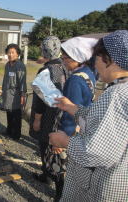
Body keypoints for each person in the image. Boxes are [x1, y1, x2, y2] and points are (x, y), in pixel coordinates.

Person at [49, 30, 128, 201]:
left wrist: (64, 141)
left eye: (97, 58)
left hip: (107, 185)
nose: (96, 64)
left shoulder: (117, 94)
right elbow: (100, 116)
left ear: (109, 59)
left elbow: (98, 153)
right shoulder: (120, 87)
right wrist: (73, 108)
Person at [30, 36, 69, 200]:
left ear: (44, 51)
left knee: (48, 149)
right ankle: (47, 176)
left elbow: (40, 100)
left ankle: (59, 190)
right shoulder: (66, 67)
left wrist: (37, 119)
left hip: (48, 116)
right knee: (58, 153)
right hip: (64, 116)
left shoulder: (45, 71)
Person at [59, 37, 97, 137]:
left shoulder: (75, 80)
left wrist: (64, 134)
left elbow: (70, 110)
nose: (63, 62)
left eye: (65, 58)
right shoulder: (88, 72)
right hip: (84, 124)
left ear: (76, 57)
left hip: (73, 131)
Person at [2, 44, 26, 140]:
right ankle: (9, 130)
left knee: (16, 114)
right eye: (9, 52)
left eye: (13, 52)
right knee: (9, 112)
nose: (10, 55)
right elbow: (5, 79)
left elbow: (23, 81)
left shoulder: (20, 66)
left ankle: (16, 135)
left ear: (17, 54)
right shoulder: (7, 65)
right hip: (7, 93)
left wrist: (22, 95)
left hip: (16, 93)